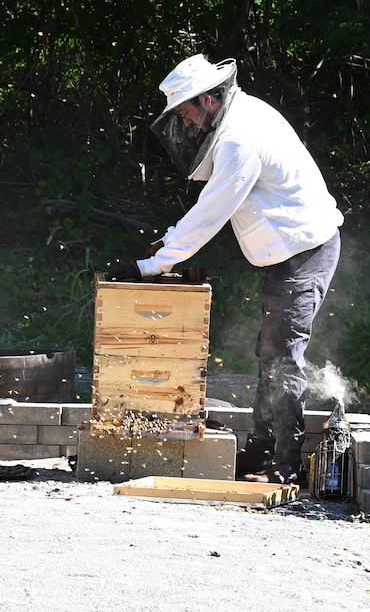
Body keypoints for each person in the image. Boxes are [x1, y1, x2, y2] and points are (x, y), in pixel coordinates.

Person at [108, 55, 343, 485]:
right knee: (268, 352)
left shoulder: (240, 140)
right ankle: (260, 450)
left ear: (209, 101)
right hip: (290, 254)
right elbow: (210, 209)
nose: (188, 124)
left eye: (187, 113)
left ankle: (285, 466)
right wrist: (168, 243)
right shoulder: (243, 115)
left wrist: (153, 265)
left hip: (305, 252)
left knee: (282, 358)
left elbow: (212, 211)